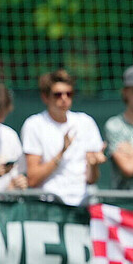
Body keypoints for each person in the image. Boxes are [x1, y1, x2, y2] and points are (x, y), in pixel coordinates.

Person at [21, 69, 105, 206]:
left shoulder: (86, 122)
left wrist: (94, 165)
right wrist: (61, 153)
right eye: (57, 95)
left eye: (69, 94)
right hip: (49, 206)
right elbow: (33, 179)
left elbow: (91, 179)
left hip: (82, 205)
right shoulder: (34, 125)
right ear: (45, 97)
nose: (64, 98)